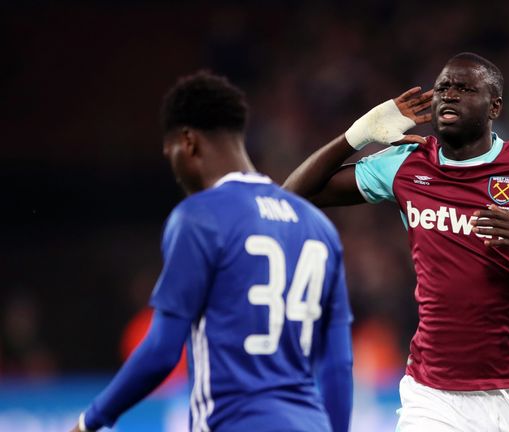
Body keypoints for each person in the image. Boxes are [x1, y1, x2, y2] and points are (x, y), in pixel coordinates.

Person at [284, 52, 509, 431]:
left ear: (494, 106)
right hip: (430, 393)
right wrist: (358, 135)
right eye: (444, 88)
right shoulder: (407, 163)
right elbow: (293, 194)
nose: (449, 96)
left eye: (465, 89)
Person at [71, 71, 353, 432]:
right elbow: (338, 364)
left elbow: (161, 350)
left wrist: (89, 421)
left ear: (188, 142)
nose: (172, 166)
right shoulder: (318, 226)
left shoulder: (199, 217)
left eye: (169, 151)